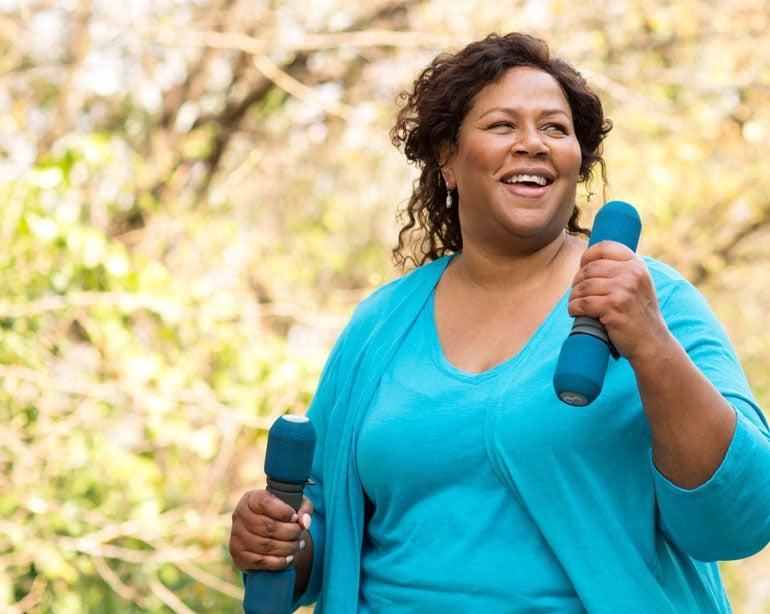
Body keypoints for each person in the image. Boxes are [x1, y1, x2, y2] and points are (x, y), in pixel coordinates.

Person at [229, 32, 770, 612]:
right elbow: (325, 523)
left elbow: (742, 515)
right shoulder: (381, 324)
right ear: (447, 159)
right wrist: (279, 541)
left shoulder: (651, 299)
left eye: (556, 129)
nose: (533, 144)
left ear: (578, 162)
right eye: (503, 125)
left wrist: (650, 343)